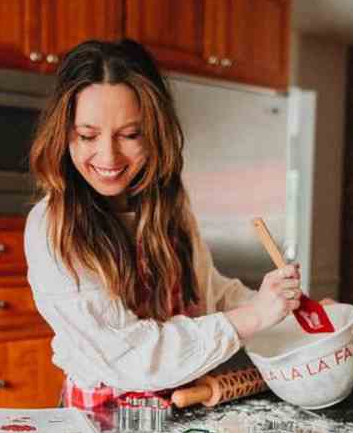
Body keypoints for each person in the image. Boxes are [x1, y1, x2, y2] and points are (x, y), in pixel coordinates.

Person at [24, 38, 303, 412]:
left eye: (130, 134)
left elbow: (208, 293)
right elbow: (133, 357)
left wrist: (283, 309)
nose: (108, 156)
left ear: (155, 130)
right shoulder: (52, 227)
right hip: (103, 426)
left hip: (186, 411)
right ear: (64, 133)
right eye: (88, 135)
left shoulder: (169, 204)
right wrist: (254, 316)